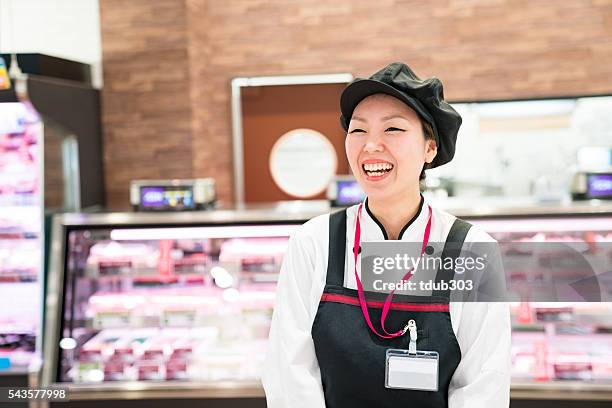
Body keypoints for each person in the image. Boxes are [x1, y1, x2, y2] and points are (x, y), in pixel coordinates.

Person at [262, 62, 510, 408]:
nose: (371, 146)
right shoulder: (314, 243)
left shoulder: (472, 250)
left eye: (393, 128)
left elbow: (484, 385)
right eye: (358, 130)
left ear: (430, 148)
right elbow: (289, 374)